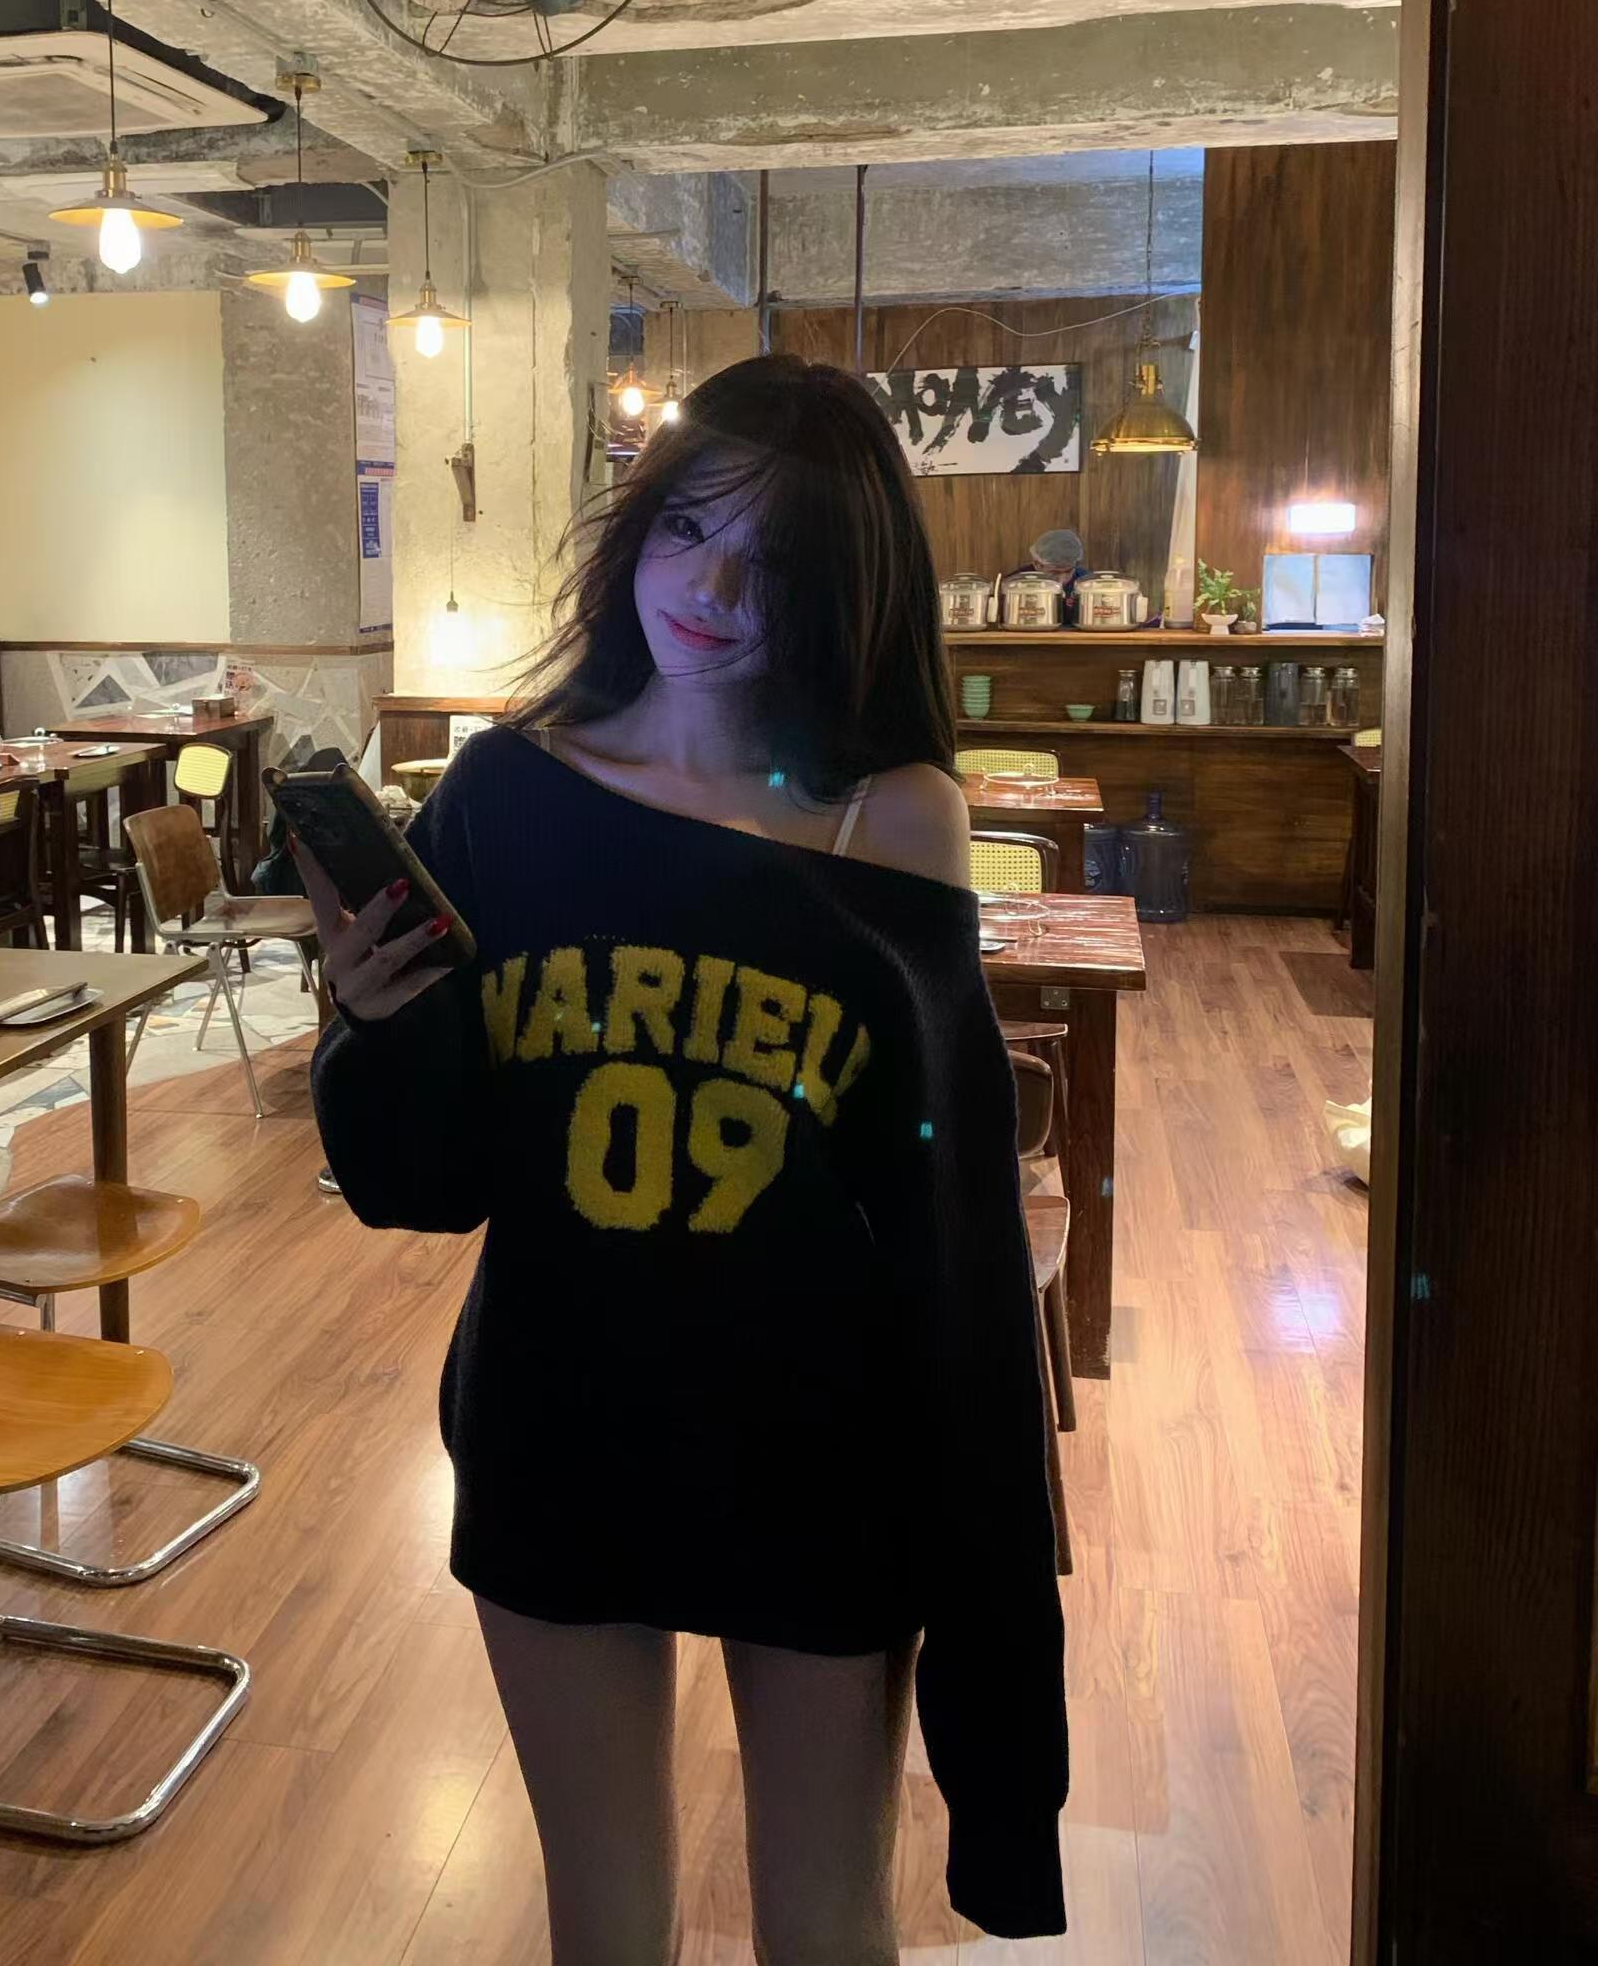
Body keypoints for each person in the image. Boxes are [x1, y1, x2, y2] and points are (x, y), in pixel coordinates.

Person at [298, 354, 1066, 1962]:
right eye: (689, 529)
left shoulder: (893, 819)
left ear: (847, 587)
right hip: (559, 1419)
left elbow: (949, 1221)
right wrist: (370, 1026)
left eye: (774, 560)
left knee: (828, 1925)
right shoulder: (506, 797)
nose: (711, 592)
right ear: (634, 528)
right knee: (607, 1923)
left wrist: (993, 1557)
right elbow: (428, 1182)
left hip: (823, 1451)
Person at [1009, 526, 1089, 624]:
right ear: (1036, 563)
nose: (1062, 580)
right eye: (1054, 573)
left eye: (1068, 572)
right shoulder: (1014, 585)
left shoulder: (1087, 583)